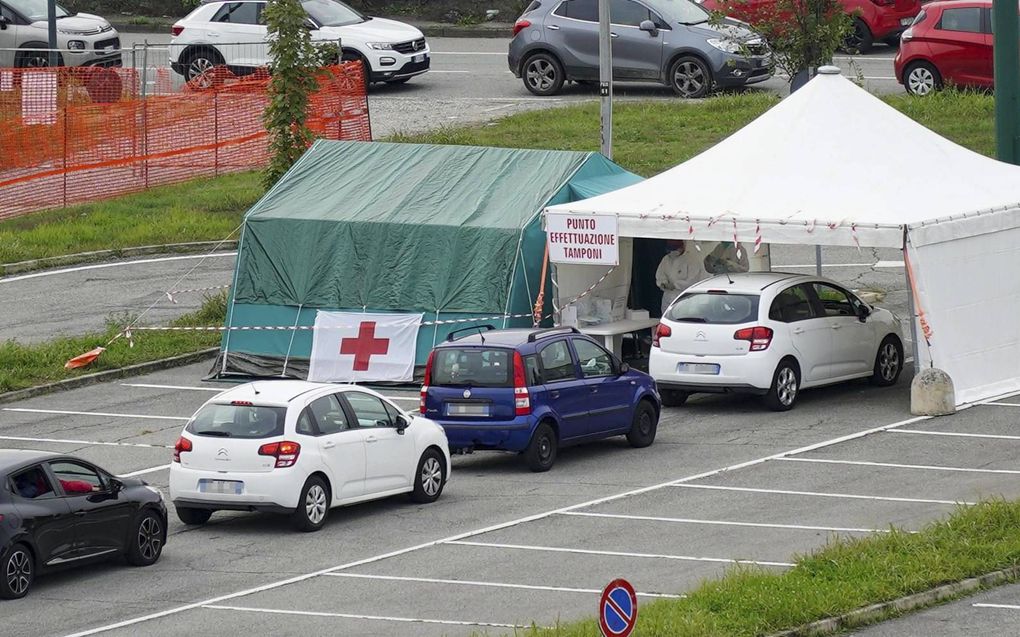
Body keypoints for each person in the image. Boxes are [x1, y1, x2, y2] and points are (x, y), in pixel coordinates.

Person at [655, 239, 705, 315]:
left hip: (684, 298)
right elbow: (660, 274)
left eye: (674, 249)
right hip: (668, 296)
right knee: (666, 319)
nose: (672, 252)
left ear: (682, 247)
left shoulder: (691, 260)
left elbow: (693, 281)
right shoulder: (666, 259)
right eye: (670, 250)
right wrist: (663, 283)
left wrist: (675, 285)